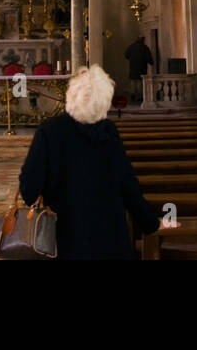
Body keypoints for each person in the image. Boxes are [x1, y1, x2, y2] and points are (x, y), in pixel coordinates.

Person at [18, 65, 159, 259]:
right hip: (110, 240)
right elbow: (128, 185)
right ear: (105, 101)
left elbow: (29, 190)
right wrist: (150, 223)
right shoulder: (109, 132)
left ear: (71, 95)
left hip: (66, 240)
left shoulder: (49, 131)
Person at [124, 36, 153, 102]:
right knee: (140, 83)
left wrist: (132, 59)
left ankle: (133, 95)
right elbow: (149, 58)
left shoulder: (131, 47)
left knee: (133, 83)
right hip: (142, 69)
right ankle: (140, 97)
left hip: (133, 68)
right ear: (143, 40)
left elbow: (126, 55)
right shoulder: (145, 48)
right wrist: (151, 62)